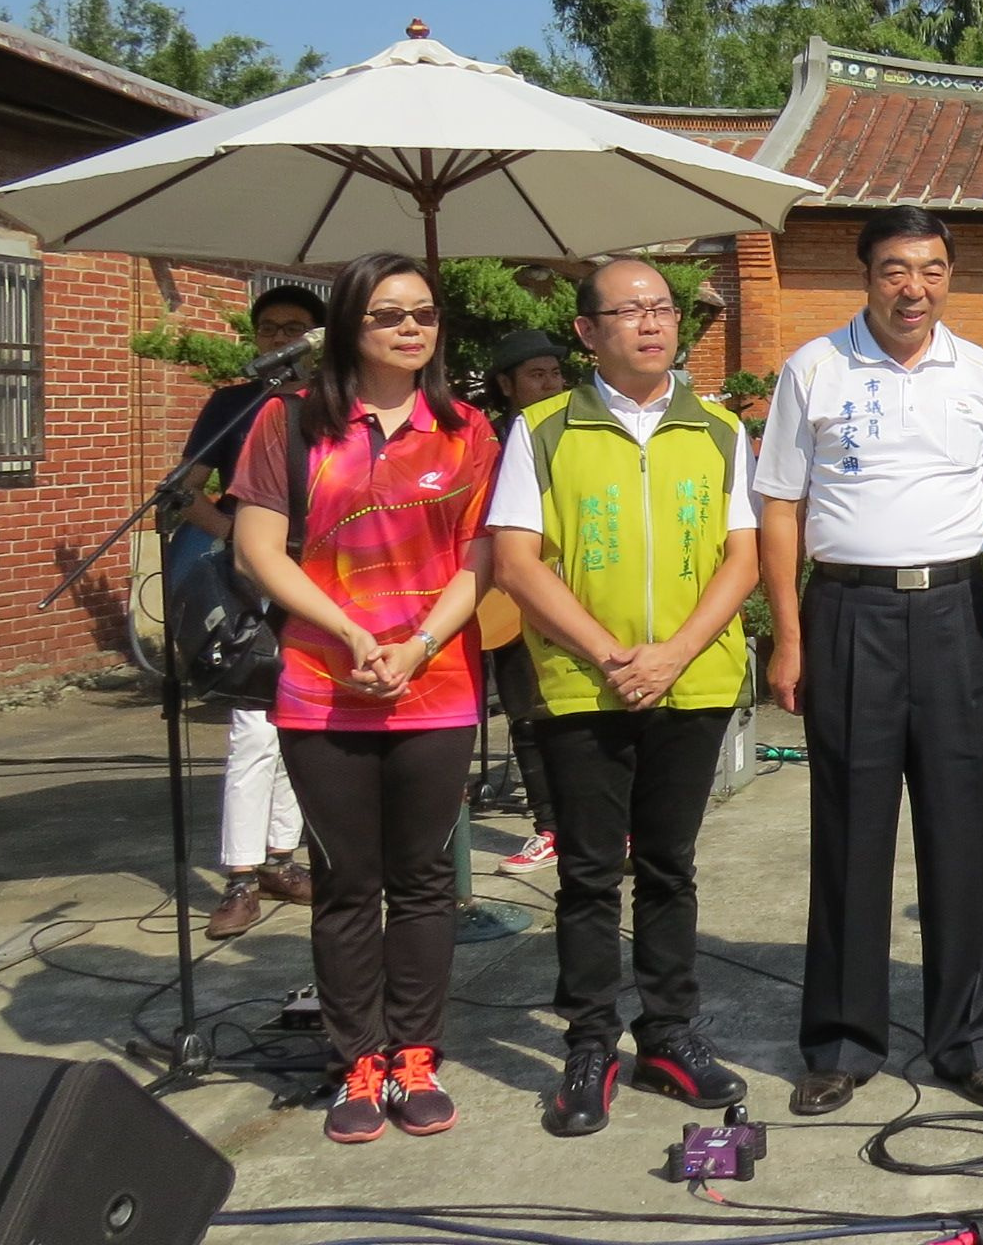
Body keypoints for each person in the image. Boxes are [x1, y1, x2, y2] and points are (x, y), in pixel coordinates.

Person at [754, 208, 983, 1119]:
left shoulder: (982, 372)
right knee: (849, 835)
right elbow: (783, 509)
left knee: (966, 841)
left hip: (957, 616)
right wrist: (790, 634)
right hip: (849, 613)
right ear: (865, 274)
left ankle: (969, 1041)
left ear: (949, 276)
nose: (913, 288)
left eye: (931, 269)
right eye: (894, 270)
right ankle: (842, 1042)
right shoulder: (814, 369)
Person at [491, 259, 762, 1139]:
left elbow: (743, 557)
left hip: (694, 682)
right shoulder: (542, 430)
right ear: (585, 332)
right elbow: (517, 561)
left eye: (662, 309)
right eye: (628, 311)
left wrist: (675, 655)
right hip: (582, 684)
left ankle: (671, 1033)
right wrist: (612, 655)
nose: (651, 324)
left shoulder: (719, 429)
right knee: (587, 873)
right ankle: (588, 1043)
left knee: (670, 867)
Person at [229, 254, 497, 1145]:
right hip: (323, 685)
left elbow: (483, 559)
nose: (411, 329)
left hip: (438, 683)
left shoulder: (467, 431)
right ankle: (357, 1059)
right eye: (389, 315)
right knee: (347, 882)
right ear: (349, 326)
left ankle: (416, 1052)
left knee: (422, 883)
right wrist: (348, 634)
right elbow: (258, 550)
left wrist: (418, 643)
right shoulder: (288, 422)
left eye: (423, 314)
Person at [175, 283, 326, 940]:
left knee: (305, 719)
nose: (279, 338)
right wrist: (239, 540)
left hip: (323, 581)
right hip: (250, 581)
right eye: (268, 328)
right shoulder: (234, 406)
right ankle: (239, 873)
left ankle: (282, 859)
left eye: (294, 327)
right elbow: (186, 490)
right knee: (254, 728)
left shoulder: (332, 407)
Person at [484, 329, 571, 874]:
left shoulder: (576, 432)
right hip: (503, 594)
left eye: (555, 374)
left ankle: (612, 825)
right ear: (506, 385)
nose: (550, 384)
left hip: (568, 593)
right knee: (525, 715)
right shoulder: (485, 440)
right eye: (537, 375)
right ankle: (551, 827)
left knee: (576, 711)